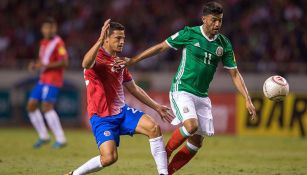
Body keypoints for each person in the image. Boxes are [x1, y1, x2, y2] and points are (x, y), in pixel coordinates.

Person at [115, 2, 257, 174]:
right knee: (191, 126)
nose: (217, 24)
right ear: (204, 19)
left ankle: (168, 171)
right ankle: (165, 153)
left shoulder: (224, 44)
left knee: (197, 142)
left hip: (202, 96)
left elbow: (234, 74)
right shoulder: (189, 33)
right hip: (182, 89)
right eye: (214, 20)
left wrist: (247, 99)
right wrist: (134, 60)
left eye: (220, 20)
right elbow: (161, 46)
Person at [67, 19, 172, 175]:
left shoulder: (120, 62)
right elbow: (85, 63)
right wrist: (99, 40)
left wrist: (156, 107)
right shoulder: (97, 58)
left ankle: (163, 173)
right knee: (109, 158)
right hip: (101, 116)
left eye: (123, 38)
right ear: (106, 39)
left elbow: (133, 88)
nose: (122, 42)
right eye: (117, 38)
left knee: (153, 128)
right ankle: (74, 174)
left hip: (122, 113)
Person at [27, 17, 69, 149]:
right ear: (42, 29)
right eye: (45, 28)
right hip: (43, 79)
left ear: (54, 28)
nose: (47, 30)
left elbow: (64, 62)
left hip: (53, 79)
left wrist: (45, 65)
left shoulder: (58, 43)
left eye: (49, 27)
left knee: (46, 106)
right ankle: (43, 136)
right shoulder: (43, 42)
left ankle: (61, 139)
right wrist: (36, 64)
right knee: (31, 105)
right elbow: (43, 61)